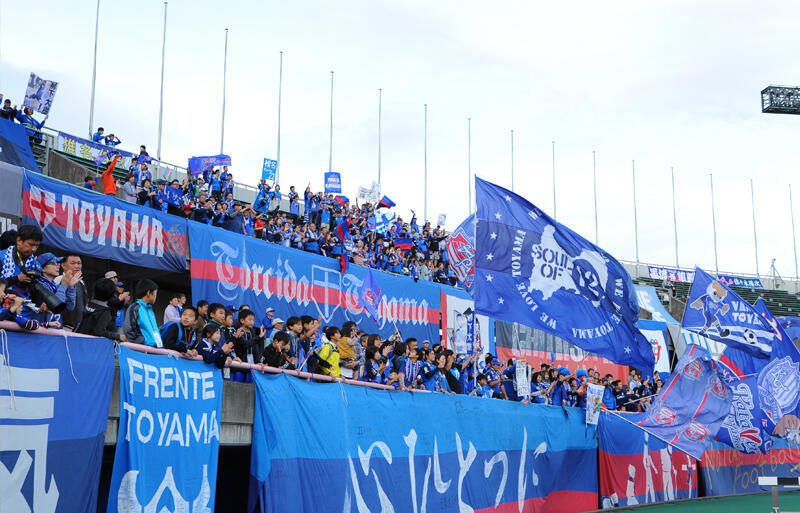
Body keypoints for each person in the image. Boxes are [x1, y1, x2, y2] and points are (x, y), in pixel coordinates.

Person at [123, 279, 162, 347]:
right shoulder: (135, 308)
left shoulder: (150, 310)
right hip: (141, 349)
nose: (156, 296)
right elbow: (129, 330)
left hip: (154, 349)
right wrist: (144, 341)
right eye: (155, 294)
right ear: (148, 293)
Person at [55, 254, 87, 330]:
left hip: (80, 326)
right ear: (63, 265)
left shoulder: (82, 282)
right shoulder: (58, 280)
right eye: (73, 263)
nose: (77, 266)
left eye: (79, 263)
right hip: (63, 326)